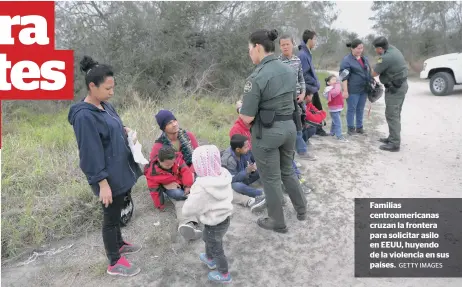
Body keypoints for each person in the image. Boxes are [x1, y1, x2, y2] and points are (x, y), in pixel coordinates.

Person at [68, 56, 142, 277]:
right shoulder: (84, 117)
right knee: (110, 218)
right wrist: (102, 184)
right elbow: (90, 154)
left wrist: (126, 129)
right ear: (92, 86)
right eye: (108, 88)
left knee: (118, 211)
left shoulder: (104, 105)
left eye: (113, 87)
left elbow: (114, 126)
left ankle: (119, 244)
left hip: (119, 170)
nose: (112, 92)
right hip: (107, 177)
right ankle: (114, 261)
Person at [240, 29, 307, 233]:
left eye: (250, 49)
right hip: (289, 128)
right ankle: (301, 209)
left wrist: (239, 107)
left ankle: (277, 221)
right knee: (287, 170)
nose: (250, 54)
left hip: (267, 133)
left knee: (270, 178)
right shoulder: (288, 69)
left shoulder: (256, 76)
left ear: (258, 48)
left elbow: (247, 118)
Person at [182, 145, 234, 283]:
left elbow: (188, 210)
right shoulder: (223, 175)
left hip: (214, 221)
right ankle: (209, 259)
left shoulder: (203, 187)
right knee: (208, 238)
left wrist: (190, 197)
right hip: (224, 218)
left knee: (216, 247)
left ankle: (224, 274)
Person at [149, 110, 202, 240]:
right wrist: (168, 183)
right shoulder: (159, 145)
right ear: (163, 128)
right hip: (172, 180)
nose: (174, 124)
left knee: (201, 185)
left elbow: (198, 156)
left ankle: (201, 212)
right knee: (179, 197)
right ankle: (187, 224)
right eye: (169, 123)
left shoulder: (188, 136)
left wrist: (191, 174)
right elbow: (153, 168)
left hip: (190, 172)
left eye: (174, 120)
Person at [278, 34, 317, 161]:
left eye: (287, 44)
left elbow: (301, 79)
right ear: (279, 47)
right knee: (292, 126)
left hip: (298, 100)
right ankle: (301, 151)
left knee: (300, 124)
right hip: (285, 101)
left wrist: (303, 93)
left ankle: (299, 149)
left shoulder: (297, 60)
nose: (285, 47)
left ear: (292, 44)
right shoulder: (277, 62)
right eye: (282, 45)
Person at [370, 36, 408, 152]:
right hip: (400, 85)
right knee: (395, 113)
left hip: (395, 89)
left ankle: (394, 143)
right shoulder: (393, 49)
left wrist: (367, 68)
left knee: (392, 114)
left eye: (375, 48)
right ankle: (392, 137)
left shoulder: (386, 57)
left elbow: (374, 73)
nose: (375, 51)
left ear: (380, 48)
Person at [298, 29, 328, 137]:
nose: (316, 42)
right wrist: (315, 82)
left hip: (311, 88)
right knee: (309, 110)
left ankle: (317, 129)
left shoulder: (307, 53)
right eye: (315, 39)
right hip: (307, 89)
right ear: (309, 40)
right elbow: (303, 74)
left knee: (316, 108)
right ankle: (310, 132)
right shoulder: (303, 54)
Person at [339, 39, 372, 136]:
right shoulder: (347, 60)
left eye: (361, 48)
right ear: (352, 48)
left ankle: (359, 127)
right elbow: (344, 76)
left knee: (360, 108)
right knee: (351, 109)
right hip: (353, 89)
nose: (360, 50)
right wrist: (345, 90)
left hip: (364, 89)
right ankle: (350, 128)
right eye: (358, 48)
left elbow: (368, 71)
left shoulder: (364, 59)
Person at [144, 145, 193, 209]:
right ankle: (188, 196)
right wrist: (160, 205)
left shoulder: (177, 159)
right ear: (159, 160)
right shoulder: (152, 173)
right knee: (178, 194)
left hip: (181, 181)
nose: (171, 165)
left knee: (194, 180)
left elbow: (186, 171)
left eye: (173, 163)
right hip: (170, 187)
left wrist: (188, 186)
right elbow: (154, 190)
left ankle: (190, 194)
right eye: (168, 165)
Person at [323, 74, 349, 142]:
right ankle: (339, 136)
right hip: (334, 108)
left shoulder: (334, 87)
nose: (335, 81)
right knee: (338, 122)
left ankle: (332, 132)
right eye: (333, 80)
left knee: (335, 121)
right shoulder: (329, 89)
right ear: (328, 83)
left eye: (336, 79)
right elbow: (336, 92)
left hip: (338, 107)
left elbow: (339, 94)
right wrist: (338, 83)